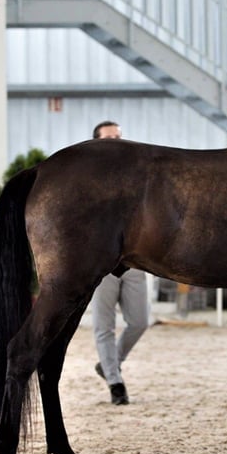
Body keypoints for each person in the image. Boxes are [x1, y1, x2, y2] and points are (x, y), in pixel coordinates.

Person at [90, 120, 150, 405]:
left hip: (134, 262)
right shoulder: (87, 181)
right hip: (102, 265)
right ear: (96, 143)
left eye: (119, 137)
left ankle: (108, 363)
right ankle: (115, 382)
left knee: (140, 321)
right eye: (109, 138)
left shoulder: (135, 178)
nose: (115, 142)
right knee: (104, 326)